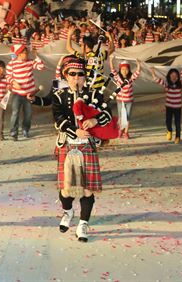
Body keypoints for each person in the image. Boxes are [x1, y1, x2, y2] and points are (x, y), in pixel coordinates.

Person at [52, 57, 112, 242]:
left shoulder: (94, 95)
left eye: (80, 74)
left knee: (87, 189)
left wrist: (95, 120)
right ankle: (68, 212)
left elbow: (107, 114)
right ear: (66, 76)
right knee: (67, 190)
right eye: (72, 74)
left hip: (87, 145)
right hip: (69, 144)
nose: (76, 78)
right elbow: (58, 119)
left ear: (85, 77)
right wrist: (74, 130)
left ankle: (83, 224)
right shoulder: (59, 95)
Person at [6, 44, 45, 140]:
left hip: (29, 94)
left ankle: (25, 129)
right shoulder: (11, 64)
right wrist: (14, 82)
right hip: (17, 93)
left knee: (28, 113)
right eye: (24, 53)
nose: (26, 54)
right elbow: (7, 77)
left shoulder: (30, 62)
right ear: (18, 54)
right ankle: (13, 132)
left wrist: (36, 56)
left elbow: (41, 66)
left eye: (26, 52)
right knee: (15, 112)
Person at [151, 67, 182, 144]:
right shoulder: (167, 84)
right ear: (169, 76)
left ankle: (177, 137)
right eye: (172, 75)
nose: (174, 77)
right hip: (169, 107)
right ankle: (169, 131)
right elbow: (156, 79)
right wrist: (152, 71)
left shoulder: (181, 84)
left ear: (178, 77)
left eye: (176, 76)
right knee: (168, 122)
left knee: (177, 123)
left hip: (178, 108)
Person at [110, 59, 141, 139]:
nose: (124, 71)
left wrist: (138, 63)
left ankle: (126, 132)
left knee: (127, 116)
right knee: (121, 116)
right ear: (120, 70)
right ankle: (120, 130)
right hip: (120, 100)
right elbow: (112, 70)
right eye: (123, 69)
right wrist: (111, 60)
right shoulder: (117, 78)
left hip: (129, 100)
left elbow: (137, 72)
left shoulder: (130, 78)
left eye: (126, 69)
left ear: (129, 70)